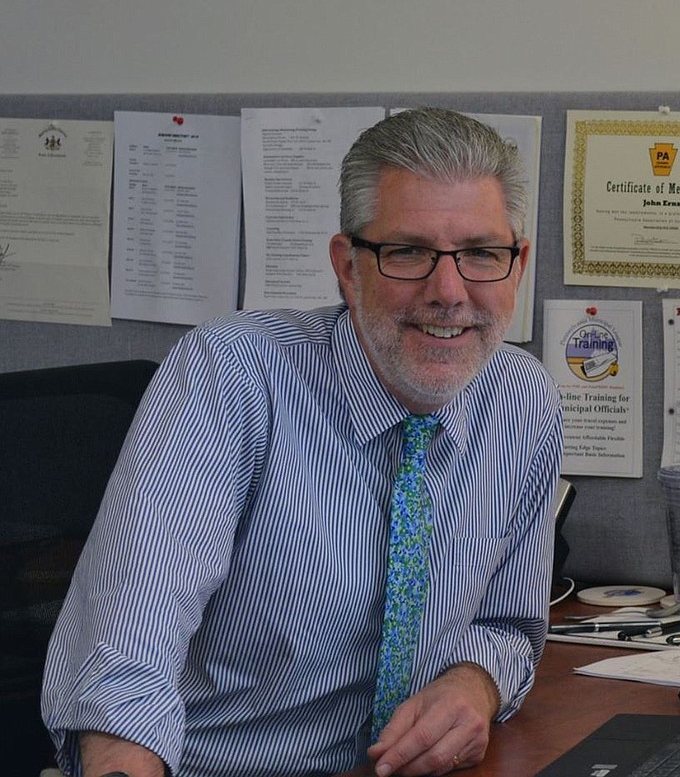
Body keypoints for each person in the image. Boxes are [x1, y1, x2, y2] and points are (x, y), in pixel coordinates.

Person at [42, 107, 563, 777]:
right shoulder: (230, 376)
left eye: (481, 254)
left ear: (515, 266)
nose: (449, 292)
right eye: (407, 252)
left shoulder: (522, 402)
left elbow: (509, 627)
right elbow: (123, 665)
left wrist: (474, 683)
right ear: (348, 267)